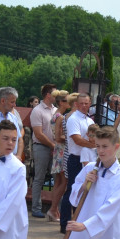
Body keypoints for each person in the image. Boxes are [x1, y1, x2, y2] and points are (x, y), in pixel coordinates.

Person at [59, 92, 96, 233]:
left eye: (87, 103)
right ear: (76, 104)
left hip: (88, 159)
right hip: (76, 158)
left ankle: (79, 220)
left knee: (85, 190)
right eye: (82, 103)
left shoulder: (89, 121)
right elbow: (77, 139)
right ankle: (65, 223)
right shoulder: (73, 119)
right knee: (72, 190)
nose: (85, 106)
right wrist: (94, 146)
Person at [30, 84, 57, 219]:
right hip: (41, 146)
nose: (57, 96)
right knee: (39, 178)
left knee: (57, 178)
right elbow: (38, 134)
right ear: (48, 95)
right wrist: (52, 145)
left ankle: (55, 208)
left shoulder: (55, 110)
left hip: (54, 147)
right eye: (55, 93)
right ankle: (36, 208)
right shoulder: (37, 110)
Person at [47, 90, 70, 222]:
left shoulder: (56, 114)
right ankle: (53, 209)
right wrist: (70, 137)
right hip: (62, 150)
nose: (69, 103)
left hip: (58, 150)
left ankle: (53, 209)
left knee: (58, 181)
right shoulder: (61, 116)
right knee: (63, 181)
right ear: (61, 102)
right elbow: (58, 136)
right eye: (66, 101)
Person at [0, 86, 24, 163]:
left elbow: (19, 139)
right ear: (3, 101)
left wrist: (18, 156)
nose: (14, 105)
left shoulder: (13, 117)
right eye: (12, 102)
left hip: (13, 160)